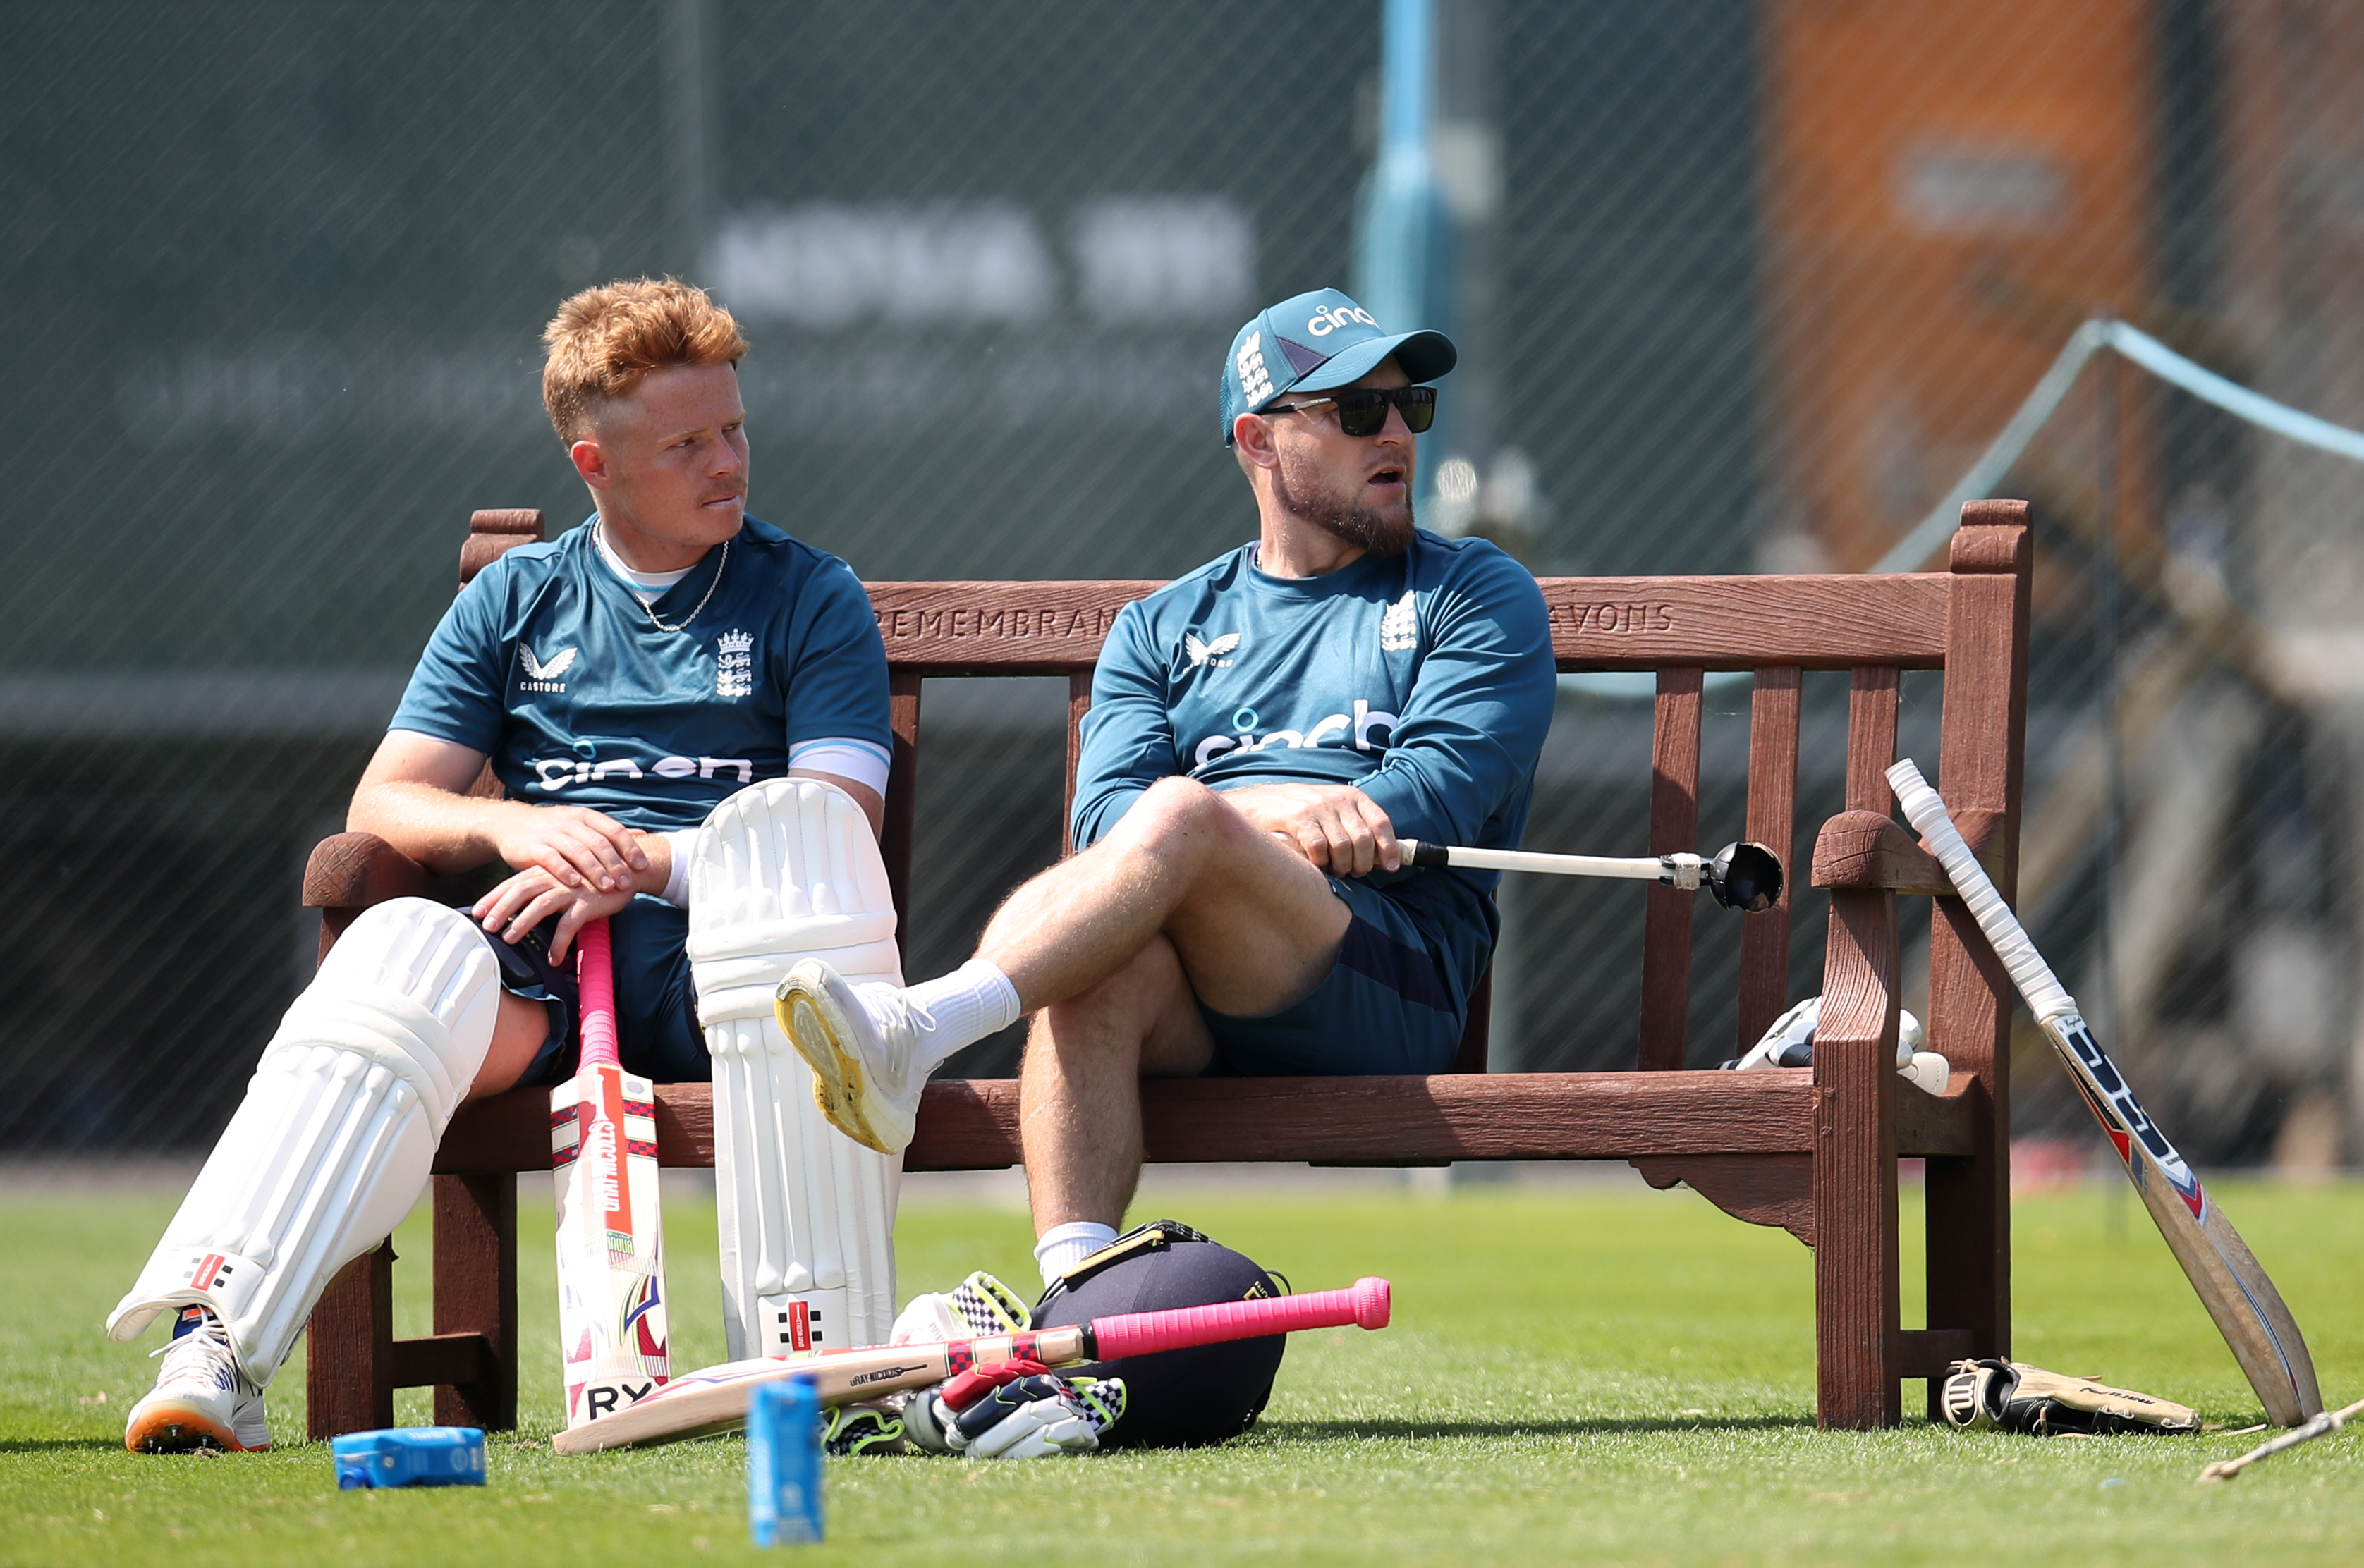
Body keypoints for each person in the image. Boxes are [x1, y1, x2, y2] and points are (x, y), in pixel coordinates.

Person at [109, 278, 905, 1452]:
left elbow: (836, 826)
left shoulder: (809, 594)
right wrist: (518, 829)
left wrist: (639, 863)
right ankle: (219, 1338)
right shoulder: (518, 601)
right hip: (545, 971)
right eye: (686, 442)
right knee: (393, 960)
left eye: (733, 427)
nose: (727, 460)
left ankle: (819, 1369)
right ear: (595, 462)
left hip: (733, 960)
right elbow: (385, 801)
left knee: (787, 922)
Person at [774, 286, 1556, 1290]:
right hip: (1192, 979)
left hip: (1384, 974)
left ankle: (920, 1029)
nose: (1396, 430)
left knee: (1180, 810)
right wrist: (1265, 813)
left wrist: (1220, 819)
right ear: (1259, 440)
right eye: (1359, 410)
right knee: (1091, 969)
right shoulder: (1161, 626)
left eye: (1413, 406)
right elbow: (1105, 824)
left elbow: (1435, 795)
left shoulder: (1476, 589)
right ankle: (1073, 1312)